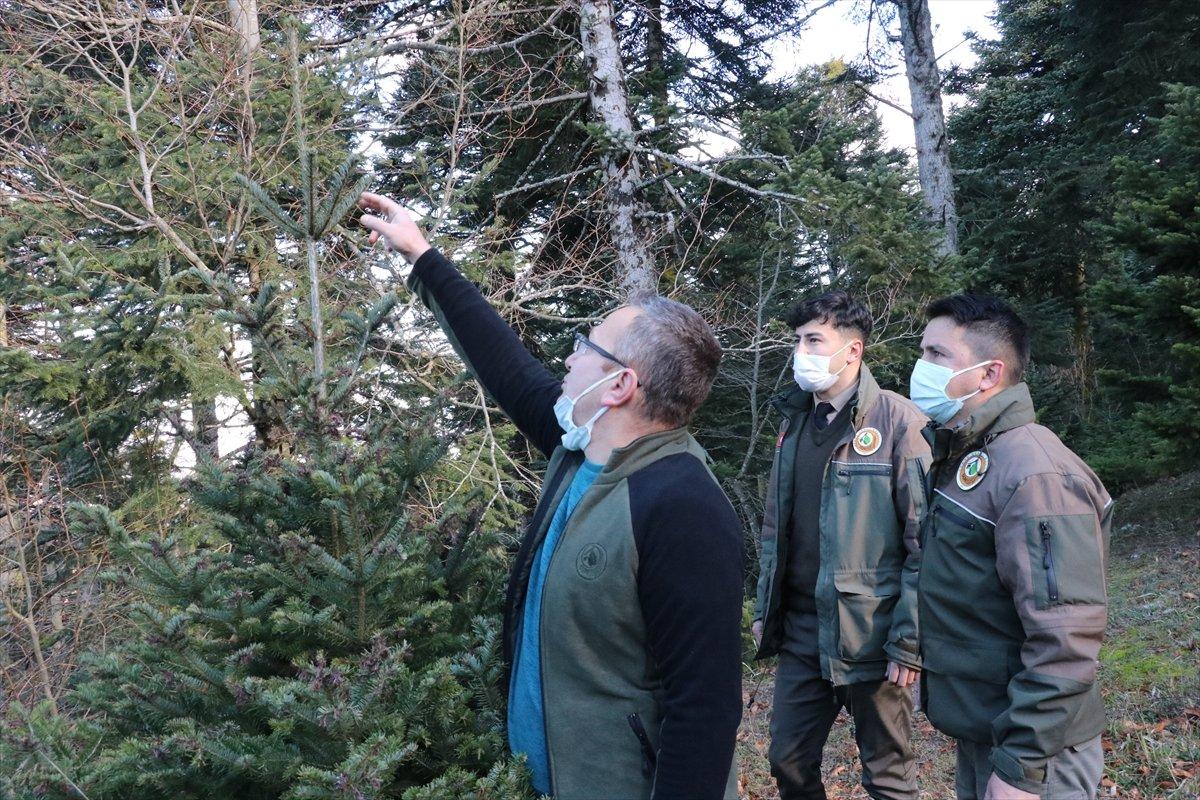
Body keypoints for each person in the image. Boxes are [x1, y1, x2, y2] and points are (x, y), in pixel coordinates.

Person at [357, 192, 744, 800]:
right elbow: (504, 365)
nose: (570, 355)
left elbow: (706, 708)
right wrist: (422, 254)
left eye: (588, 346)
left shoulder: (682, 507)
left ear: (620, 384)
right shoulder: (579, 450)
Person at [911, 293, 1111, 800]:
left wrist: (1021, 765)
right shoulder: (973, 457)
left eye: (937, 355)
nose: (921, 367)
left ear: (988, 374)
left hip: (1039, 754)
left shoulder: (1035, 472)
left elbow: (1065, 637)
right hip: (989, 729)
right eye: (923, 352)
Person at [751, 291, 929, 800]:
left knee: (888, 776)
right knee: (787, 761)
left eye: (814, 340)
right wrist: (767, 604)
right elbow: (774, 528)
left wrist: (909, 639)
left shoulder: (898, 422)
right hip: (803, 634)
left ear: (853, 351)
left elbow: (924, 541)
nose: (800, 352)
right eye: (797, 341)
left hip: (871, 634)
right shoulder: (793, 422)